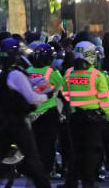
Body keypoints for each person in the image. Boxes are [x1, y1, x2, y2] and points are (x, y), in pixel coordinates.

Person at [0, 37, 52, 188]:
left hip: (1, 123)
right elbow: (31, 98)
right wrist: (46, 96)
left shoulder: (0, 76)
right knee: (34, 161)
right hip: (18, 124)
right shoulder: (16, 75)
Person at [62, 41, 109, 188]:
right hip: (93, 120)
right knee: (91, 154)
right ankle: (88, 183)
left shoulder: (68, 74)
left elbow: (65, 94)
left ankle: (71, 183)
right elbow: (105, 101)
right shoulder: (97, 76)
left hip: (75, 118)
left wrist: (74, 105)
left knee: (75, 152)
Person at [26, 42, 64, 176]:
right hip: (48, 111)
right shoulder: (51, 72)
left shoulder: (28, 71)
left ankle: (31, 170)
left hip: (31, 112)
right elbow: (62, 86)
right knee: (48, 145)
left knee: (32, 144)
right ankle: (47, 171)